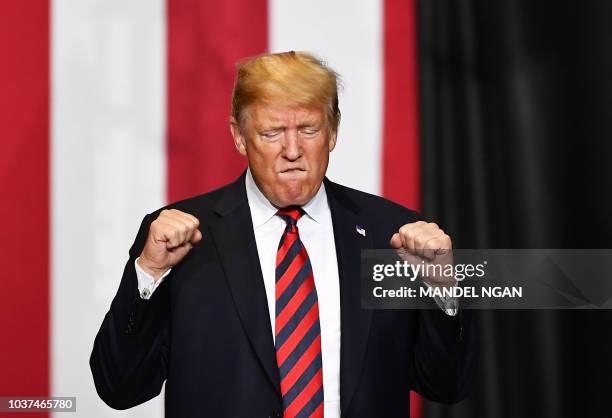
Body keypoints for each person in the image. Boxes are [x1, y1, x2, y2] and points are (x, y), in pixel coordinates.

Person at [90, 51, 477, 418]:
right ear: (240, 137)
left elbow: (447, 385)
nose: (292, 150)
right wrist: (148, 273)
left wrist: (443, 288)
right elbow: (120, 387)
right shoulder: (181, 238)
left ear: (333, 132)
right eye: (273, 132)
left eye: (308, 129)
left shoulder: (390, 235)